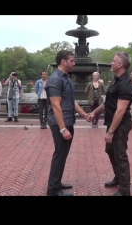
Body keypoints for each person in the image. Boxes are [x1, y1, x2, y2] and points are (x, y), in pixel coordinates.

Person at [45, 50, 91, 196]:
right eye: (71, 61)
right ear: (63, 62)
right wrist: (63, 129)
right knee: (59, 154)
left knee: (63, 154)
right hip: (60, 124)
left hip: (68, 121)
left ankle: (57, 183)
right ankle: (53, 190)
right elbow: (56, 106)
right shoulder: (55, 79)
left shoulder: (67, 78)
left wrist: (83, 114)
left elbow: (71, 101)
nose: (74, 63)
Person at [90, 52, 132, 196]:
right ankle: (118, 178)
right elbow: (108, 103)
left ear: (120, 64)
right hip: (113, 124)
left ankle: (125, 190)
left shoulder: (126, 84)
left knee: (120, 156)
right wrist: (94, 112)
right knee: (110, 150)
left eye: (113, 61)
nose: (111, 63)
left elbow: (120, 111)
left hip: (120, 126)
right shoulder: (116, 80)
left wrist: (110, 132)